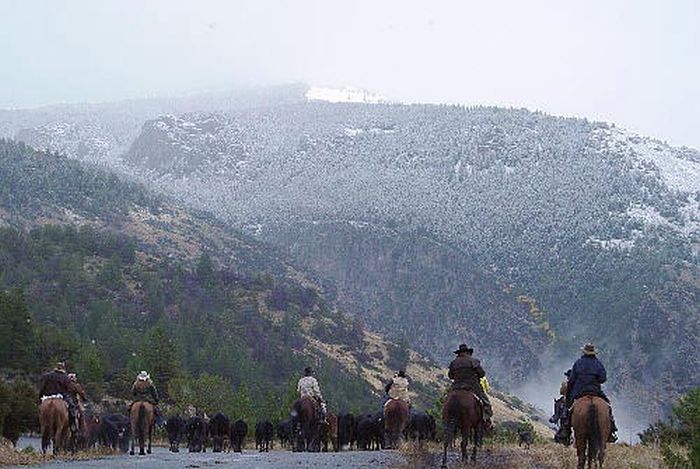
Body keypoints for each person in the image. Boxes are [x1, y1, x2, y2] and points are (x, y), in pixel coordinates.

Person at [564, 343, 618, 442]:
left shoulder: (578, 363)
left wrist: (569, 398)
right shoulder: (598, 363)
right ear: (593, 353)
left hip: (580, 391)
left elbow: (571, 380)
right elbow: (603, 379)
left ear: (584, 352)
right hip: (595, 391)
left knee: (569, 411)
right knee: (608, 408)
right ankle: (611, 429)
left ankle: (566, 430)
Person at [448, 344, 493, 429]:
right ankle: (486, 419)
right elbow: (482, 374)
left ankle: (446, 417)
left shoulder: (454, 362)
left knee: (447, 399)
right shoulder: (473, 361)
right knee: (485, 401)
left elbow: (450, 376)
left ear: (459, 353)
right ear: (468, 352)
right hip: (473, 386)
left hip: (456, 386)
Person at [39, 362, 79, 430]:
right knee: (72, 407)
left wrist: (40, 395)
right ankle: (73, 424)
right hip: (60, 396)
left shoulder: (48, 375)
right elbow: (68, 389)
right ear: (63, 368)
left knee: (40, 408)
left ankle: (38, 424)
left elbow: (43, 387)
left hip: (47, 396)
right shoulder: (65, 377)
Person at [552, 369, 572, 445]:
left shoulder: (565, 384)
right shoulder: (578, 383)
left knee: (558, 404)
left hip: (568, 400)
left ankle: (556, 417)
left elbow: (561, 392)